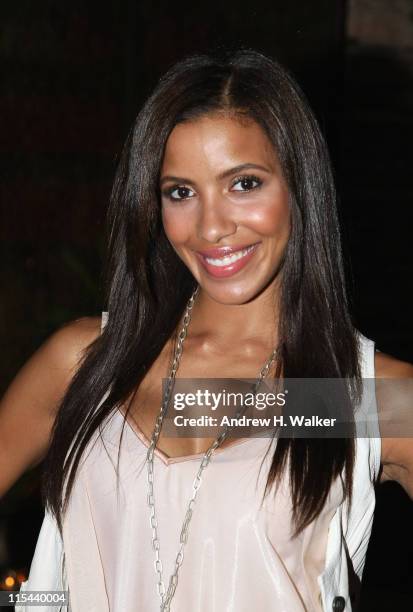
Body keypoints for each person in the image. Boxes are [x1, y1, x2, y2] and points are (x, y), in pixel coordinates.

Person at [1, 49, 412, 612]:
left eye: (244, 183)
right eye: (181, 192)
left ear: (300, 186)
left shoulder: (360, 396)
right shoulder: (87, 365)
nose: (212, 226)